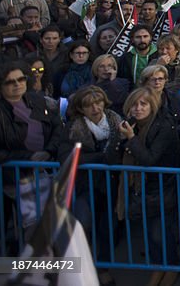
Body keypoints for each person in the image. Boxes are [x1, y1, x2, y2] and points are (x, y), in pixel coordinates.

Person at [107, 87, 180, 285]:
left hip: (162, 187)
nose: (138, 108)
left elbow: (150, 159)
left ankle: (172, 268)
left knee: (161, 233)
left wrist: (131, 139)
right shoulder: (131, 125)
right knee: (151, 235)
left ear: (152, 106)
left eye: (143, 104)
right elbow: (114, 155)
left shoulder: (163, 126)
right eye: (134, 104)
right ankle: (158, 268)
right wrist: (124, 139)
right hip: (141, 189)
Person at [62, 86, 123, 285]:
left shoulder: (116, 121)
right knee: (83, 224)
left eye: (98, 103)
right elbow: (66, 156)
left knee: (107, 228)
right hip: (84, 185)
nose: (95, 108)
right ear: (81, 108)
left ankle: (103, 268)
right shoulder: (73, 127)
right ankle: (82, 268)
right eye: (89, 105)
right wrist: (101, 157)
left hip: (112, 185)